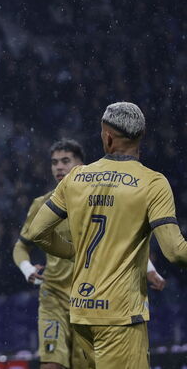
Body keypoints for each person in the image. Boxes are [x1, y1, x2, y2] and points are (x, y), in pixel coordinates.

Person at [28, 102, 187, 369]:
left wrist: (74, 252)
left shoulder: (76, 177)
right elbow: (175, 251)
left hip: (80, 312)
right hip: (119, 316)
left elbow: (37, 232)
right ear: (140, 135)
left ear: (107, 135)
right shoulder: (152, 183)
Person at [13, 138, 165, 369]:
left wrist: (148, 268)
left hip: (90, 297)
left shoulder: (100, 200)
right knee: (51, 365)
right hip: (53, 296)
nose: (59, 167)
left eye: (66, 161)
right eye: (54, 162)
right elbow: (21, 246)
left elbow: (119, 241)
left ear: (81, 165)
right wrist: (27, 269)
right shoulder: (42, 204)